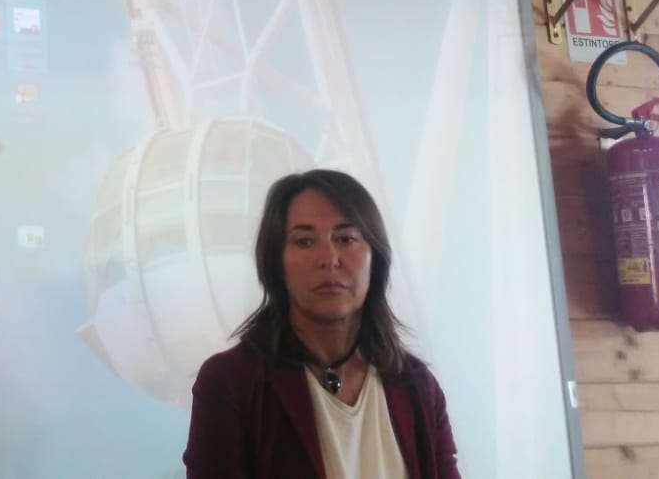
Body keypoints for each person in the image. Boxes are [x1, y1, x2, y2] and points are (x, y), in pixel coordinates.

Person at [184, 170, 459, 479]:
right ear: (276, 262)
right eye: (304, 241)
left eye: (346, 239)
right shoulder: (231, 384)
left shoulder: (417, 387)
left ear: (376, 258)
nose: (329, 259)